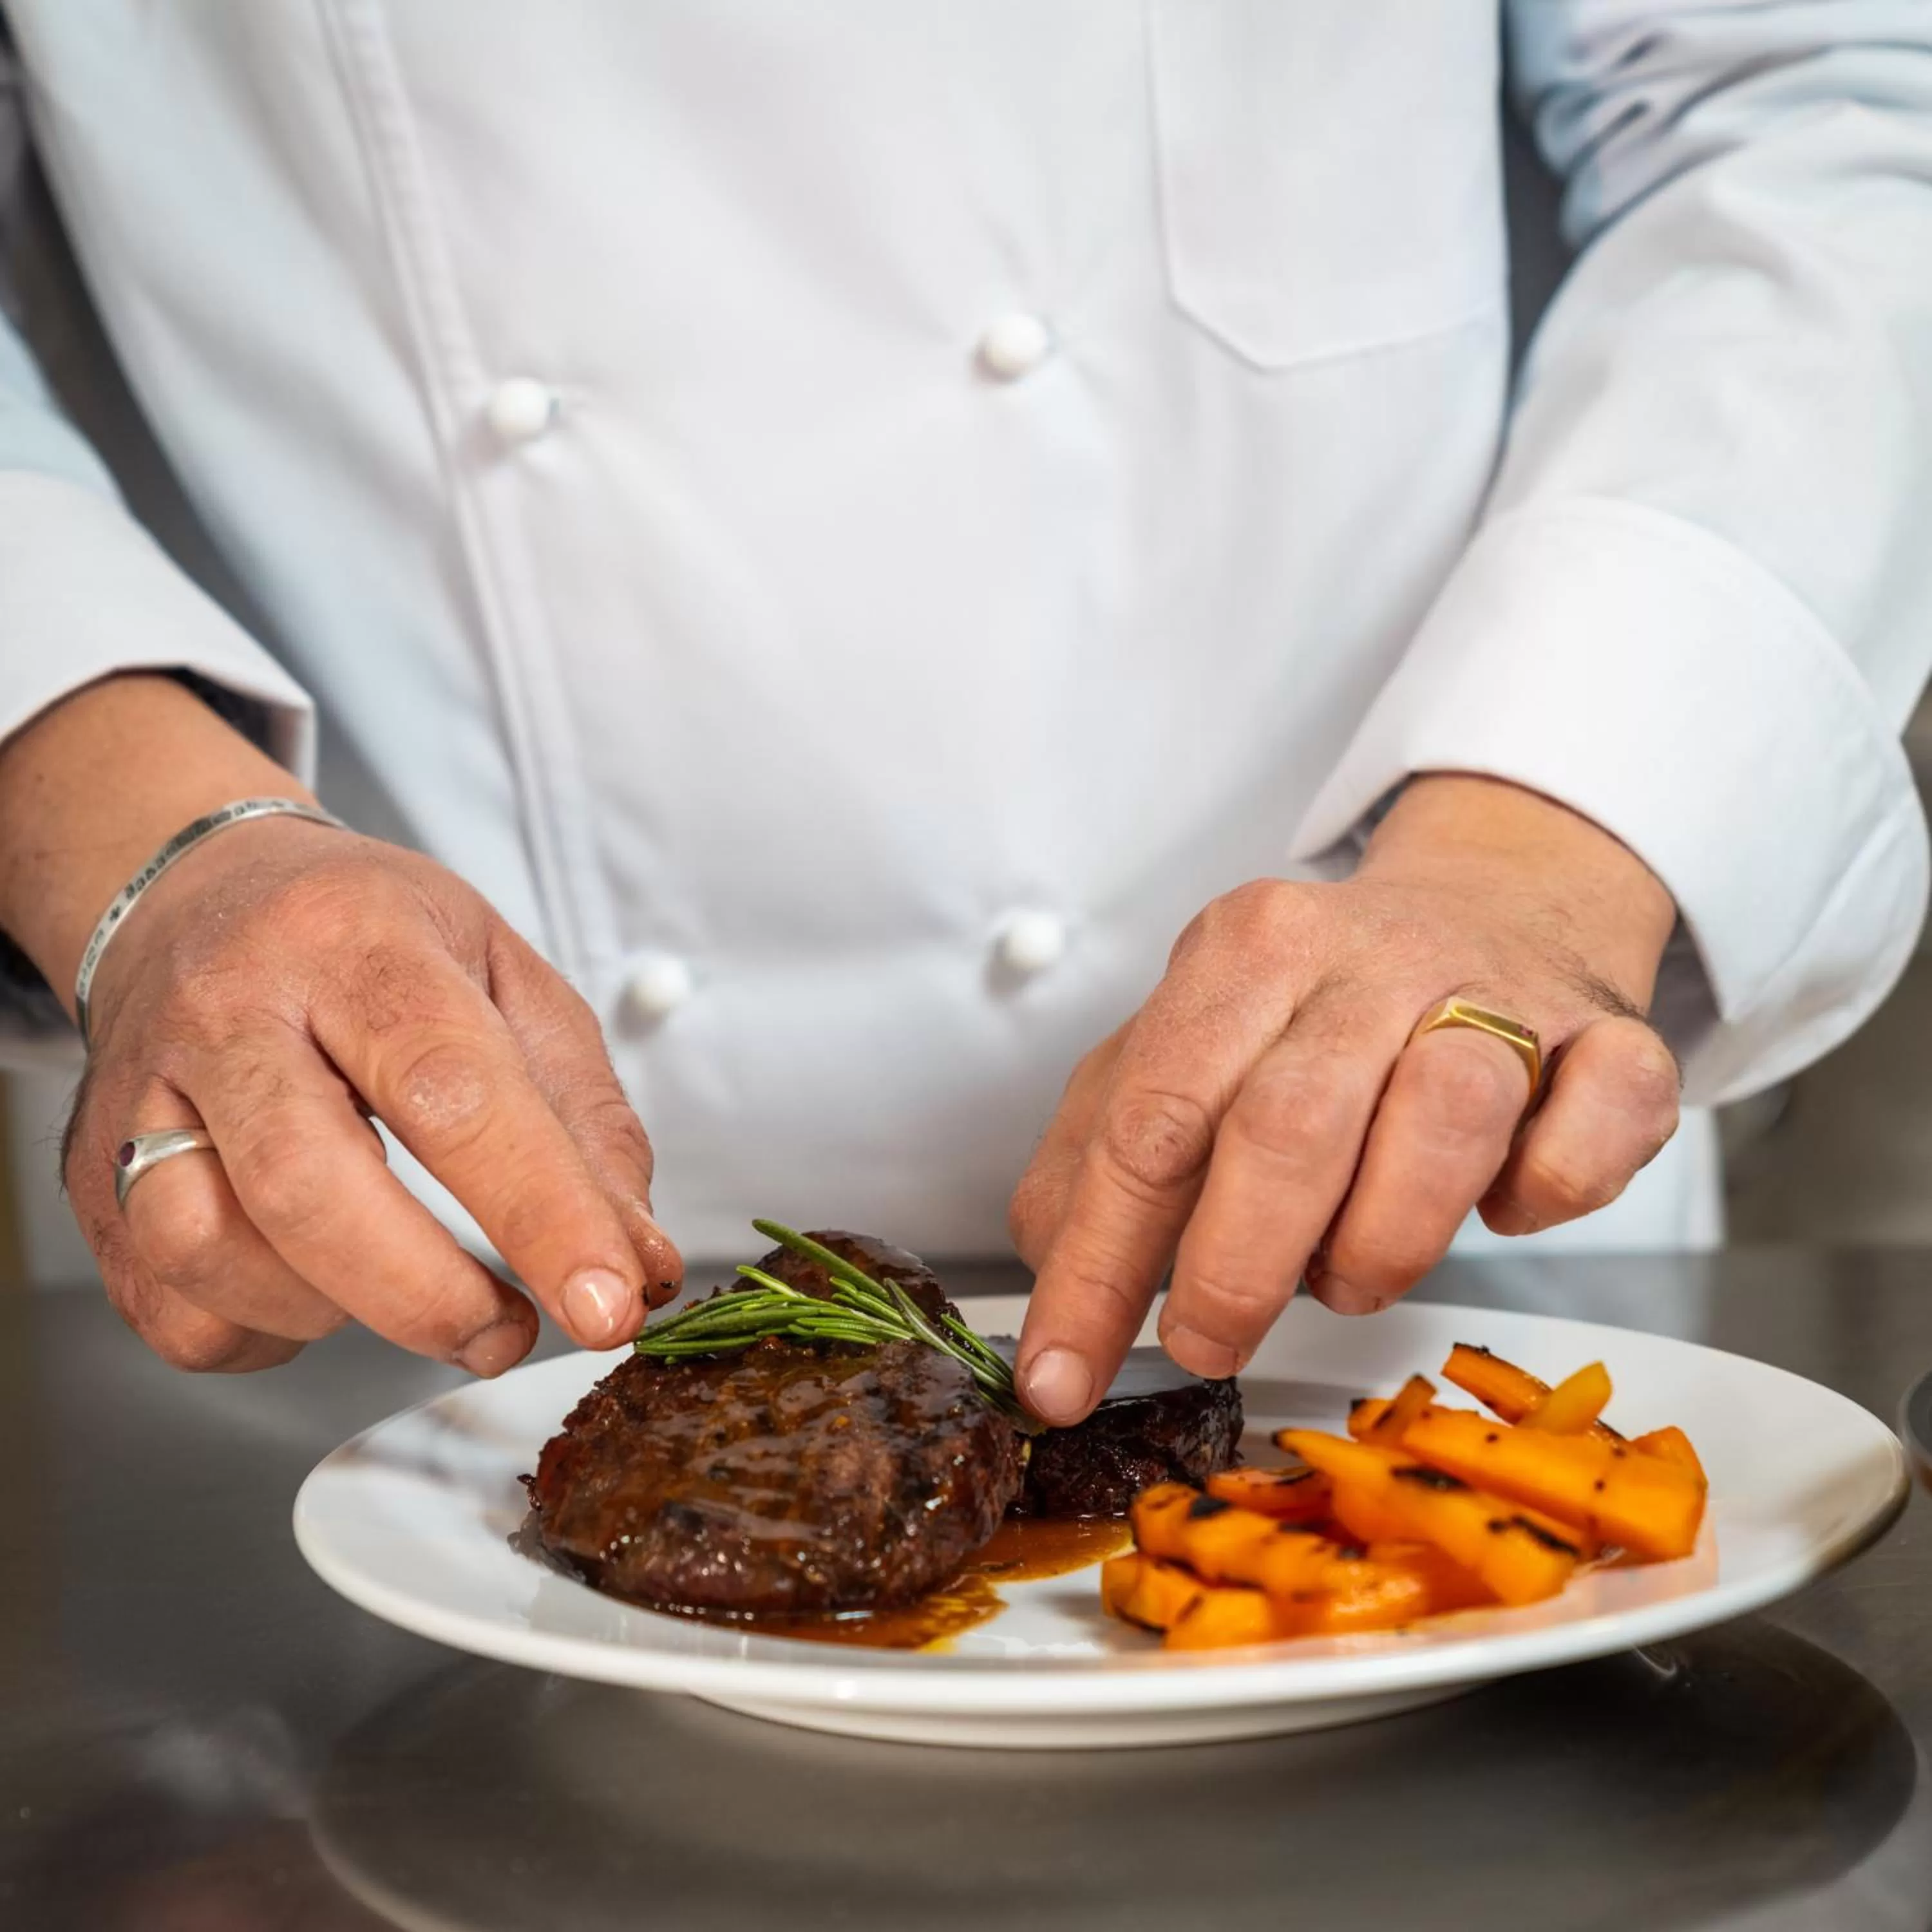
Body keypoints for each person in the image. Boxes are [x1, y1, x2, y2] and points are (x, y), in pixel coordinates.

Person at [0, 5, 1927, 1426]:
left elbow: (1821, 108)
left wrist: (1540, 853)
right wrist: (151, 853)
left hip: (1433, 1211)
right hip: (360, 1250)